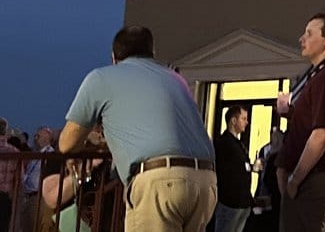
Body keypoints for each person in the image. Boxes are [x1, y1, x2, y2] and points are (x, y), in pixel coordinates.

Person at [58, 25, 216, 232]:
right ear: (152, 53)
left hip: (159, 181)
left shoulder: (101, 78)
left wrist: (88, 143)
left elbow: (66, 143)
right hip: (205, 181)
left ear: (114, 57)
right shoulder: (175, 79)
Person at [275, 13, 325, 232]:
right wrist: (289, 112)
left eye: (309, 34)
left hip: (315, 183)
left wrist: (295, 180)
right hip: (323, 182)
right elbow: (314, 121)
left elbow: (321, 135)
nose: (302, 38)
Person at [215, 106, 254, 232]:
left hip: (242, 202)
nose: (247, 122)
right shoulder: (222, 143)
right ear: (233, 121)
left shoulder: (239, 144)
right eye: (243, 118)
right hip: (230, 202)